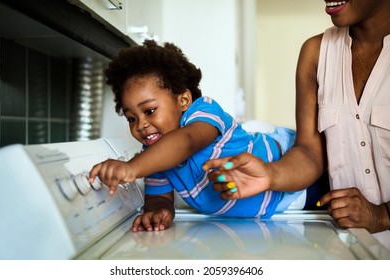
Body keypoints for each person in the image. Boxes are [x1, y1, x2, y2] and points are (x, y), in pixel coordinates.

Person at [204, 0, 390, 249]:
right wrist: (269, 175)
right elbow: (310, 153)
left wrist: (382, 215)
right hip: (349, 249)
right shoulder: (316, 52)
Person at [88, 40, 325, 232]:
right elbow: (159, 198)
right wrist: (159, 212)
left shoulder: (204, 113)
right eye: (131, 118)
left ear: (183, 101)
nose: (141, 125)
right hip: (269, 217)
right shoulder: (152, 159)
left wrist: (131, 168)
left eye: (150, 111)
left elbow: (186, 142)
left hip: (300, 183)